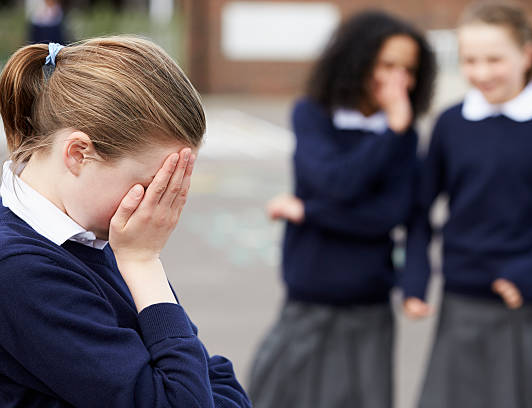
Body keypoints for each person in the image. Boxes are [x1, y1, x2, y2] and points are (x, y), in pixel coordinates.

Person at [0, 38, 251, 407]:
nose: (159, 206)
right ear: (78, 154)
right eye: (152, 185)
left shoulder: (96, 238)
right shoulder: (20, 271)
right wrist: (143, 263)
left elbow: (211, 379)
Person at [402, 3, 532, 408]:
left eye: (494, 59)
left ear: (527, 55)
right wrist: (415, 279)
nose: (481, 72)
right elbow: (419, 209)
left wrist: (529, 274)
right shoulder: (450, 123)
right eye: (470, 60)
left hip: (530, 306)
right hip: (461, 303)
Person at [248, 10, 435, 408]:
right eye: (387, 65)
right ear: (356, 61)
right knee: (276, 394)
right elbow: (337, 183)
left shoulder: (404, 133)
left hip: (369, 301)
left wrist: (310, 211)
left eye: (409, 69)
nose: (399, 80)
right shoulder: (313, 115)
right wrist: (392, 131)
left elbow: (391, 215)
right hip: (309, 294)